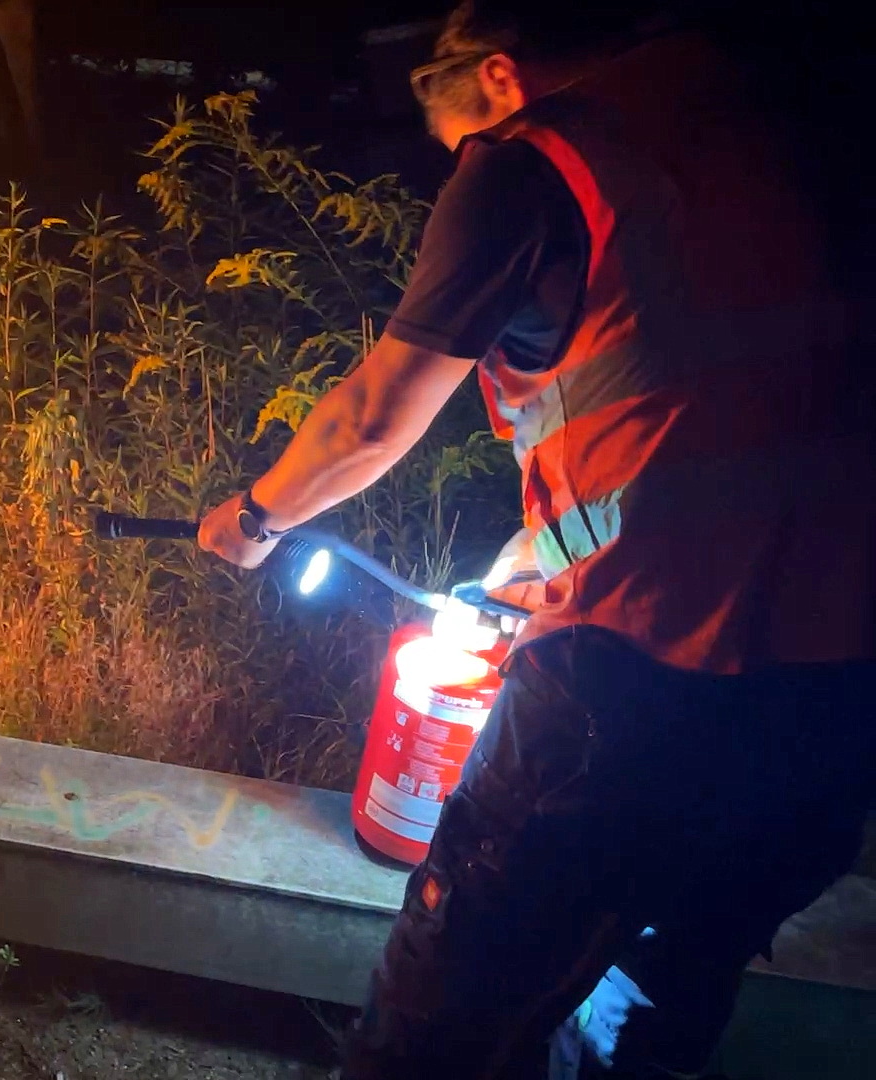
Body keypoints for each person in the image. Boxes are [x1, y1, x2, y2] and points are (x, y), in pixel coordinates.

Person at [195, 2, 876, 1077]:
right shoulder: (771, 117)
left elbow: (374, 417)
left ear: (503, 78)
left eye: (463, 142)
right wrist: (542, 548)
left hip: (635, 697)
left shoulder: (538, 156)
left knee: (440, 1024)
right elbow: (717, 408)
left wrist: (258, 516)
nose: (469, 166)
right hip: (833, 714)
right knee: (646, 1018)